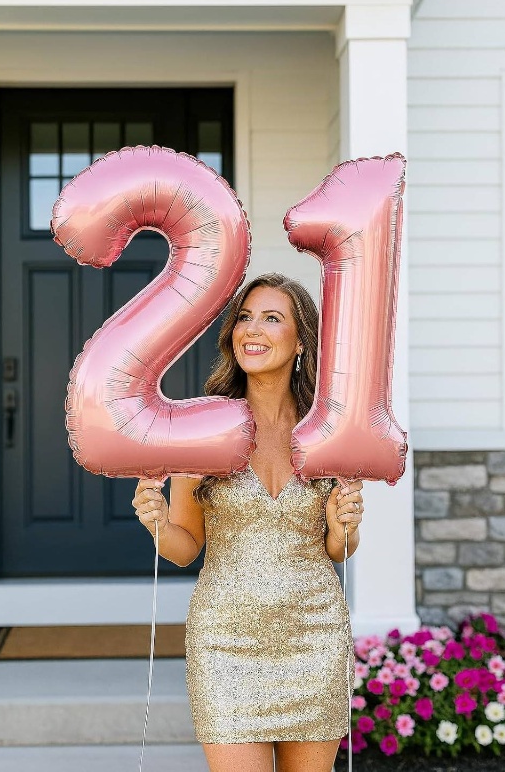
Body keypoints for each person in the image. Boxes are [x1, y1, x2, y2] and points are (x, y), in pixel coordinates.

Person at [132, 272, 364, 772]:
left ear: (301, 341)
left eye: (271, 318)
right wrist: (156, 525)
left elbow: (338, 549)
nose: (252, 329)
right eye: (244, 317)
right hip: (226, 646)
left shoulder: (328, 429)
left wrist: (345, 525)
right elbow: (185, 547)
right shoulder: (203, 428)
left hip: (314, 637)